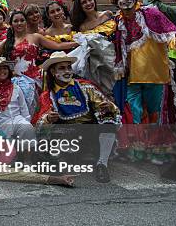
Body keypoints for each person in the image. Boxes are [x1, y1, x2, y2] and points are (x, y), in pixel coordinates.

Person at [103, 0, 176, 142]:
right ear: (116, 2)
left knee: (155, 112)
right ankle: (138, 145)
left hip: (155, 74)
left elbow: (170, 32)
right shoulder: (116, 22)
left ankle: (155, 143)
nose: (126, 0)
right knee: (134, 111)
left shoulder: (151, 13)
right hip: (130, 77)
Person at [32, 51, 121, 182]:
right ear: (52, 72)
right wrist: (48, 118)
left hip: (90, 132)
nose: (67, 71)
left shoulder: (86, 87)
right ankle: (61, 161)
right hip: (66, 135)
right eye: (62, 68)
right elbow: (38, 123)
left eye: (69, 67)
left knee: (107, 117)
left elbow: (106, 105)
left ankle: (102, 165)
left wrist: (108, 106)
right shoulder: (47, 96)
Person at [0, 57, 35, 142]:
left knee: (27, 129)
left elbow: (24, 109)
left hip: (17, 120)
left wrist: (27, 122)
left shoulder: (16, 88)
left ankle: (26, 153)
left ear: (9, 71)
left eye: (5, 68)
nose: (2, 71)